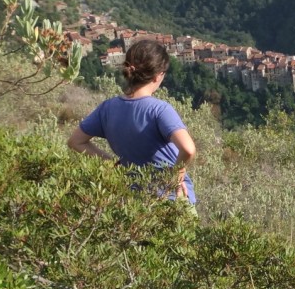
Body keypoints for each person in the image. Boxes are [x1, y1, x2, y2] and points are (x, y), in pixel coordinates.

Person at [67, 39, 197, 207]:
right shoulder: (159, 109)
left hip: (133, 204)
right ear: (158, 75)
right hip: (171, 200)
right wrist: (177, 176)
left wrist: (112, 163)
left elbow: (75, 141)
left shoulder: (107, 108)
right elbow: (188, 149)